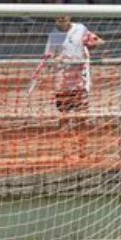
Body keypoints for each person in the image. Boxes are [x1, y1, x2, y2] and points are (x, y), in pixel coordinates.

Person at [43, 16, 103, 160]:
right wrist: (56, 60)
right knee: (64, 119)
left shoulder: (80, 29)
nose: (62, 17)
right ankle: (66, 153)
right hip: (62, 84)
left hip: (79, 82)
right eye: (58, 14)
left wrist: (92, 44)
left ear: (69, 15)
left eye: (64, 13)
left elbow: (99, 41)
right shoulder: (54, 35)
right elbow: (47, 59)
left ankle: (83, 151)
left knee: (81, 118)